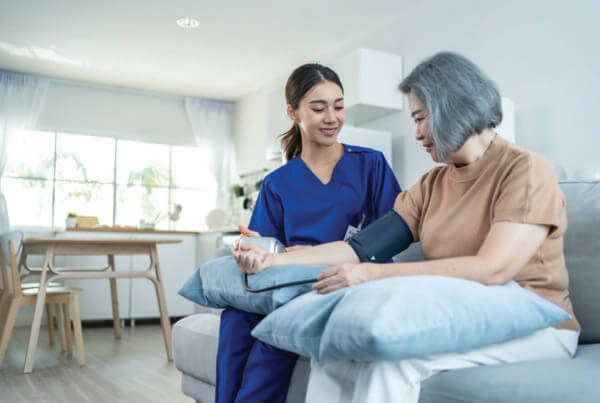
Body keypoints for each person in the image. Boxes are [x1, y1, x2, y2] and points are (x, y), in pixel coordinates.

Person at [233, 52, 580, 403]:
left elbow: (492, 269)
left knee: (391, 364)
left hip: (538, 324)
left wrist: (369, 276)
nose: (415, 134)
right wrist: (272, 261)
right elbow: (360, 247)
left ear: (450, 109)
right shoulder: (432, 185)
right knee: (333, 352)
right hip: (464, 312)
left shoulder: (525, 169)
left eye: (419, 118)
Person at [216, 63, 401, 403]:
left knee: (276, 335)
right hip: (288, 279)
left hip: (343, 279)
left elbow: (395, 233)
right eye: (319, 108)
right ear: (293, 112)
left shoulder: (370, 165)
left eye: (339, 105)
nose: (332, 117)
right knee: (235, 318)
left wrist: (335, 252)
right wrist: (248, 249)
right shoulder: (277, 184)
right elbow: (265, 246)